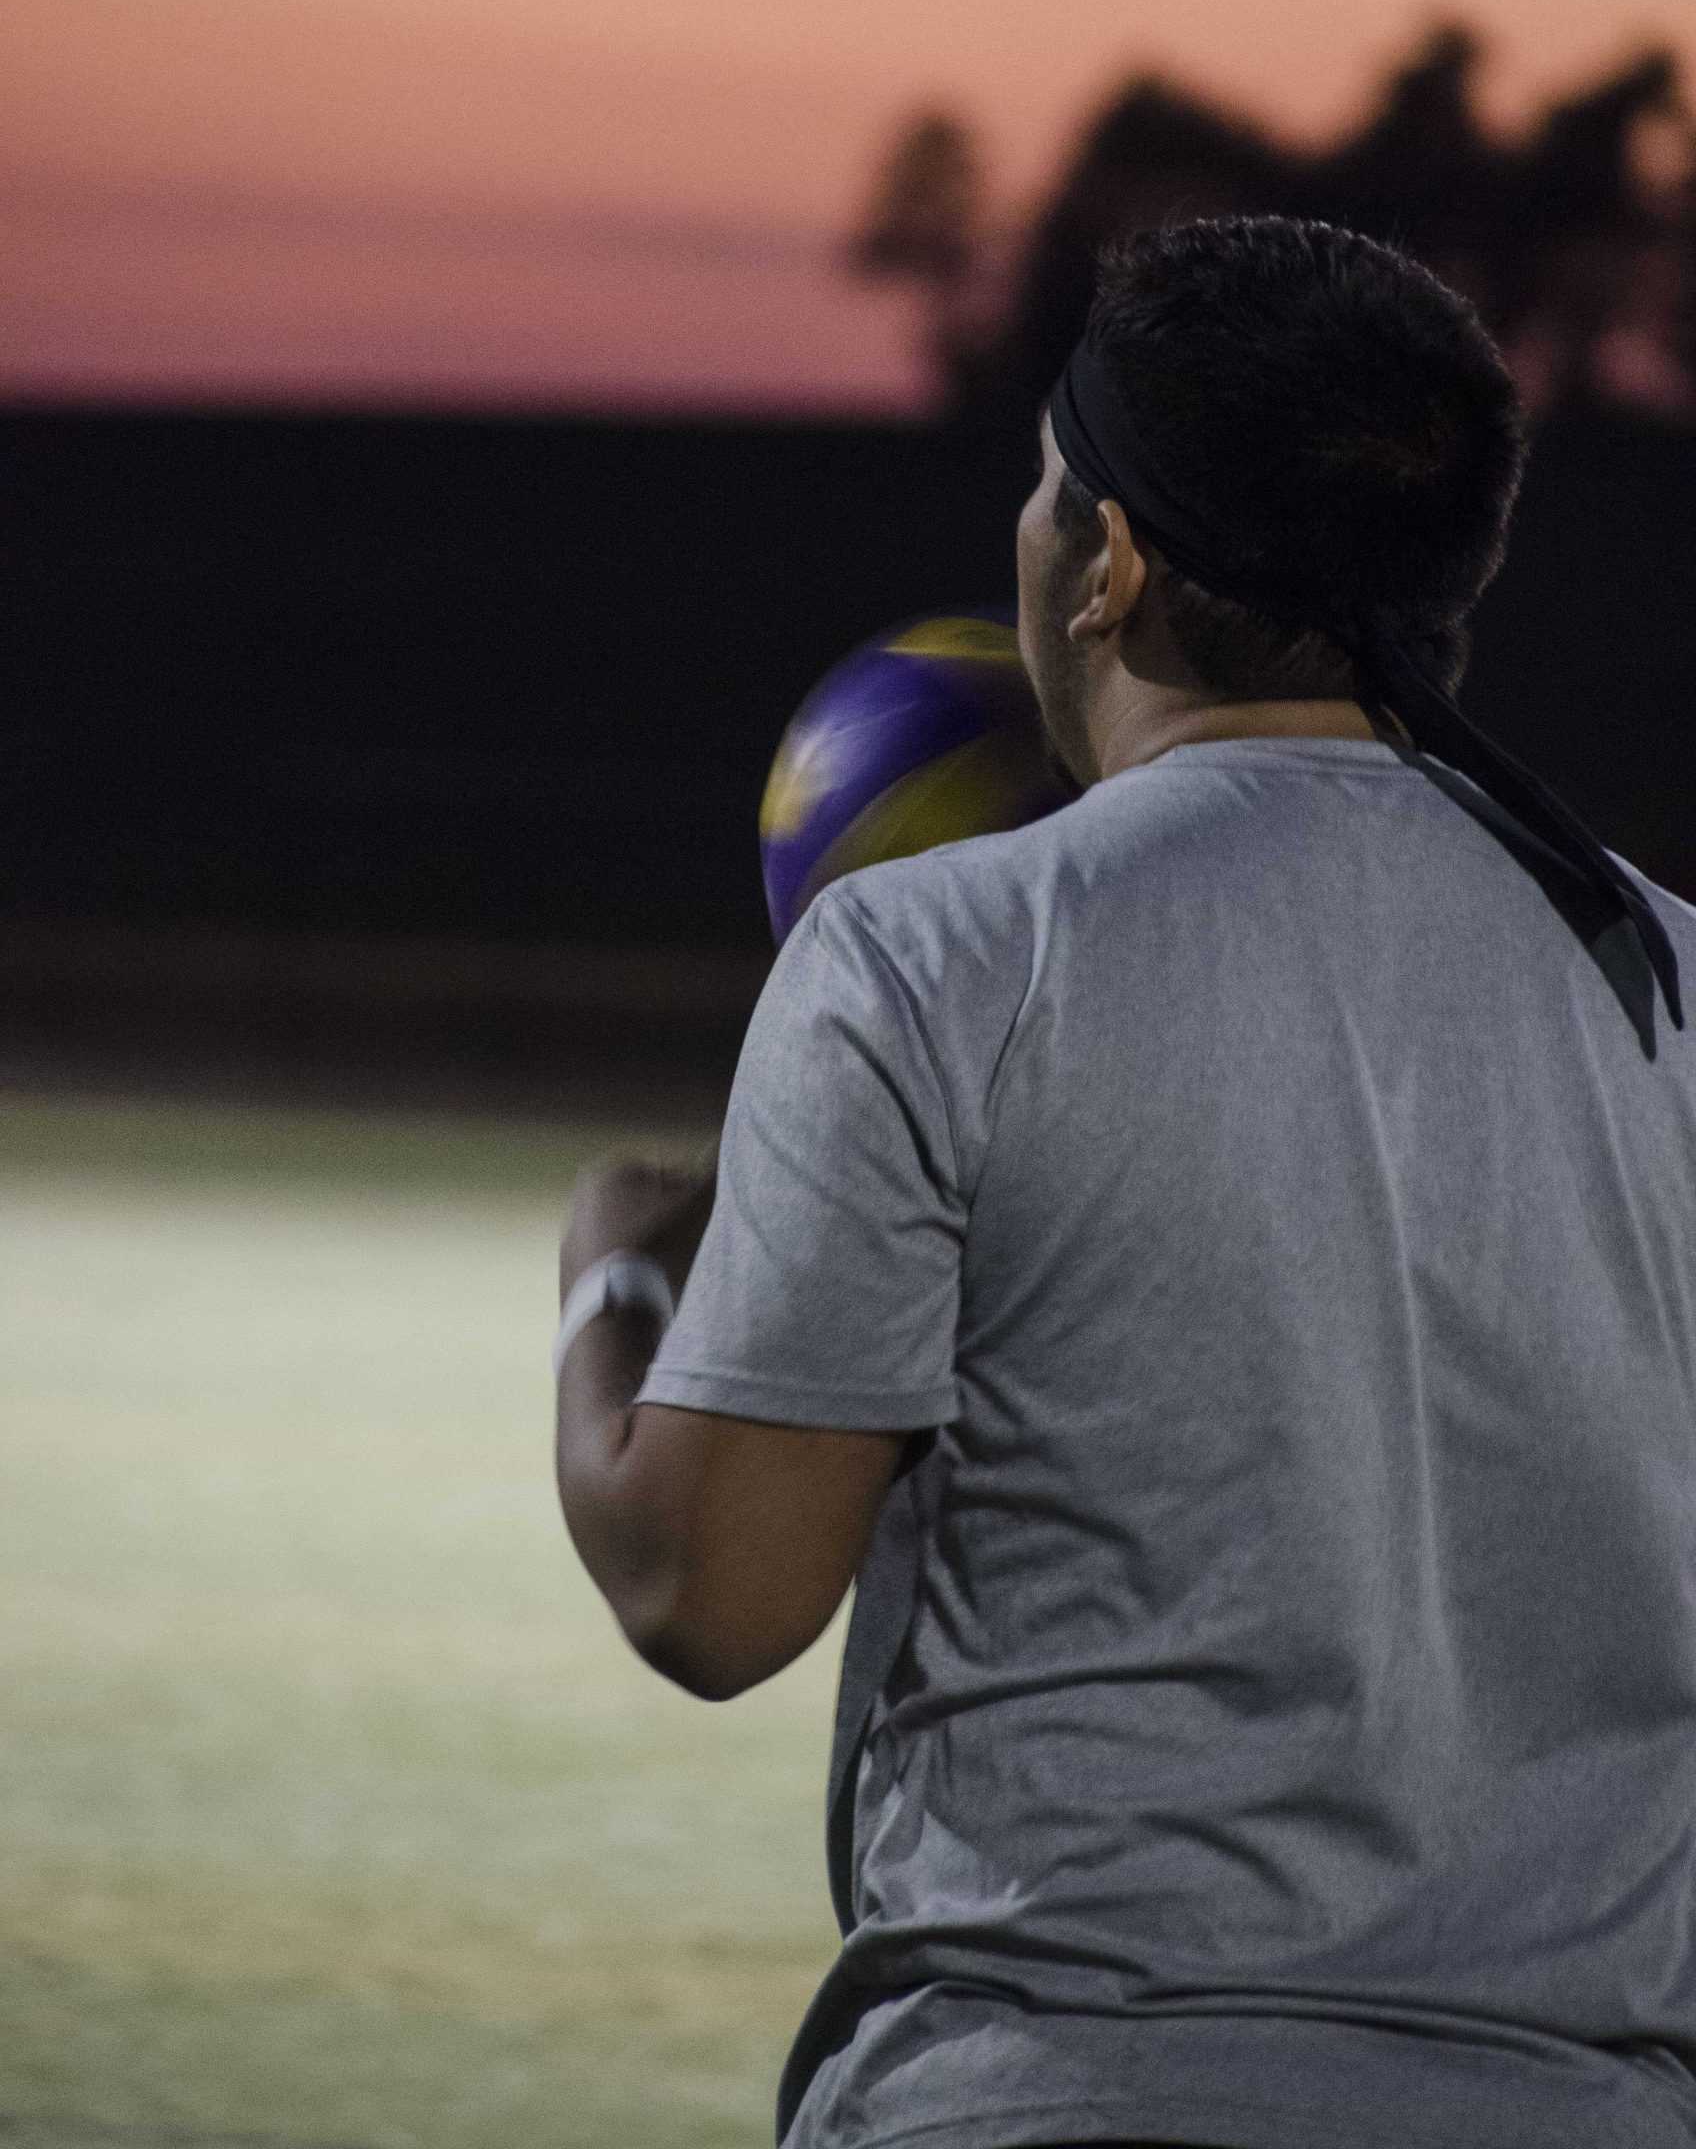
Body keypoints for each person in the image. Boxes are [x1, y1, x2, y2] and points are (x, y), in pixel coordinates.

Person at [554, 216, 1696, 2149]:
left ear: (1117, 565)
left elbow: (713, 1590)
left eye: (1044, 487)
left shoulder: (934, 955)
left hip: (1059, 2091)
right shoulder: (1668, 979)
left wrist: (618, 1287)